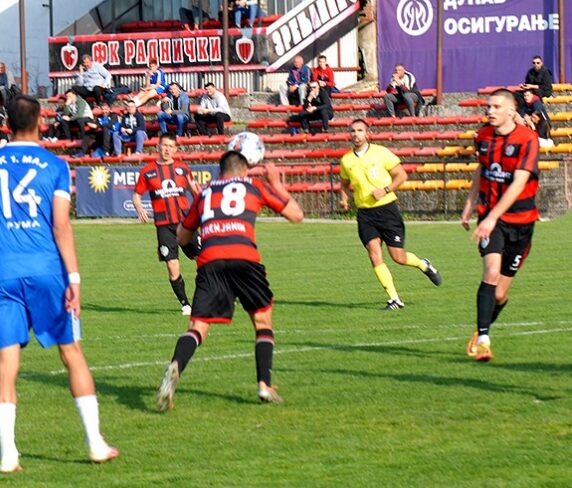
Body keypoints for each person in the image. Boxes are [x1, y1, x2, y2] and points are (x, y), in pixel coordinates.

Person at [0, 96, 119, 472]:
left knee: (5, 364)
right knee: (71, 353)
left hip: (1, 272)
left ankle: (7, 453)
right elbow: (61, 225)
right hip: (47, 271)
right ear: (40, 122)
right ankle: (95, 442)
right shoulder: (55, 165)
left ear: (7, 124)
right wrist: (74, 278)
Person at [156, 151, 303, 411]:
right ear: (244, 170)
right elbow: (296, 215)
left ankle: (176, 365)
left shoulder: (205, 192)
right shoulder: (254, 186)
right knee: (262, 319)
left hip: (211, 260)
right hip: (245, 257)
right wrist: (277, 183)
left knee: (197, 326)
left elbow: (181, 238)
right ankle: (264, 385)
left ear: (219, 171)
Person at [460, 90, 540, 363]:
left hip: (523, 221)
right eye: (488, 106)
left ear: (511, 110)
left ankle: (481, 329)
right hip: (491, 220)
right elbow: (481, 171)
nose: (490, 111)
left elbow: (519, 182)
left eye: (496, 106)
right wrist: (471, 205)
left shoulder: (527, 139)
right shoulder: (482, 137)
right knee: (491, 273)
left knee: (502, 293)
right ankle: (484, 340)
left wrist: (493, 215)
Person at [338, 119, 443, 309]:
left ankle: (423, 264)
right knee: (374, 254)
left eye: (360, 130)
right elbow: (344, 184)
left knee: (398, 257)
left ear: (367, 133)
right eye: (352, 131)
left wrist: (385, 190)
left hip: (387, 210)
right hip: (365, 214)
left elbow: (401, 175)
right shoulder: (346, 160)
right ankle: (394, 298)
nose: (356, 134)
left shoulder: (381, 152)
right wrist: (344, 199)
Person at [133, 133, 201, 315]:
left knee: (204, 260)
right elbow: (137, 194)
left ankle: (217, 294)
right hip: (164, 226)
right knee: (172, 267)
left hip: (185, 224)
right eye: (164, 145)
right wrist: (139, 207)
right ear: (158, 147)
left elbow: (195, 191)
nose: (167, 149)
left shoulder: (183, 169)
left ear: (175, 149)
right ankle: (186, 304)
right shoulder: (147, 171)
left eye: (171, 146)